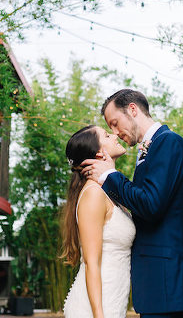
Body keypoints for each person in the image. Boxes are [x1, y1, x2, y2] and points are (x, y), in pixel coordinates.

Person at [82, 89, 183, 318]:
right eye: (110, 128)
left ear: (132, 109)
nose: (116, 133)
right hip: (159, 288)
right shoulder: (149, 150)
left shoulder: (169, 143)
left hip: (169, 285)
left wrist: (110, 175)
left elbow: (150, 204)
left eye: (115, 123)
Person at [62, 125, 136, 318]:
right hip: (95, 308)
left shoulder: (108, 191)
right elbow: (91, 261)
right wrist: (99, 314)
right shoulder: (93, 193)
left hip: (112, 300)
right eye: (106, 134)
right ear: (98, 153)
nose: (114, 135)